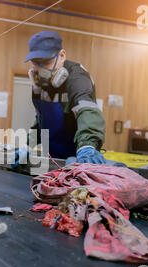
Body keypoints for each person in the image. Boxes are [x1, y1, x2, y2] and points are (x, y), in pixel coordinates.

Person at [12, 30, 107, 168]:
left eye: (46, 62)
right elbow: (41, 121)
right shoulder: (40, 85)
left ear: (61, 56)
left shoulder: (78, 79)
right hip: (52, 158)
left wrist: (87, 146)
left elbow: (87, 112)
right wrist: (28, 145)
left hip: (78, 158)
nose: (40, 69)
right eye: (36, 63)